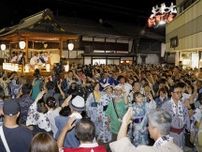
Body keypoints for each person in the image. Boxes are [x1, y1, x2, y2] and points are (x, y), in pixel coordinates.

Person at [110, 108, 183, 152]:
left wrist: (124, 122)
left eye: (149, 125)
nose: (148, 128)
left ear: (155, 129)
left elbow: (121, 148)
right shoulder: (178, 149)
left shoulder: (148, 150)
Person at [161, 84, 190, 149]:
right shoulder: (166, 106)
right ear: (171, 93)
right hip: (171, 134)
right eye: (177, 92)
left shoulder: (182, 104)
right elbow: (162, 122)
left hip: (181, 133)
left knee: (181, 148)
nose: (179, 94)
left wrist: (188, 127)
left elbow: (186, 117)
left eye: (180, 92)